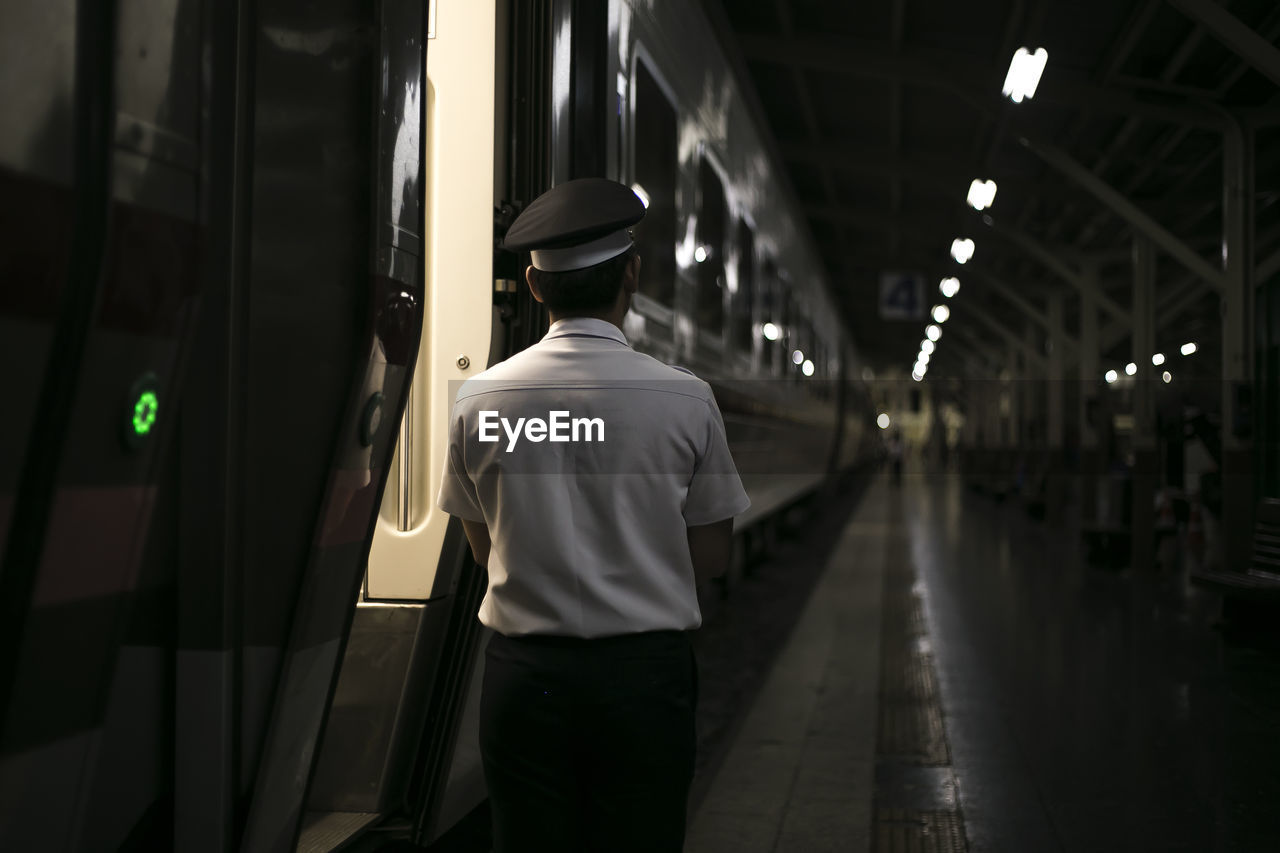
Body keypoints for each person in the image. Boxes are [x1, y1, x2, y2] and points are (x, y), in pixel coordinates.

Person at [436, 177, 750, 852]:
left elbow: (482, 547)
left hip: (524, 682)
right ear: (630, 274)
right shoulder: (687, 400)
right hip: (644, 680)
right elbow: (713, 557)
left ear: (533, 285)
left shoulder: (479, 400)